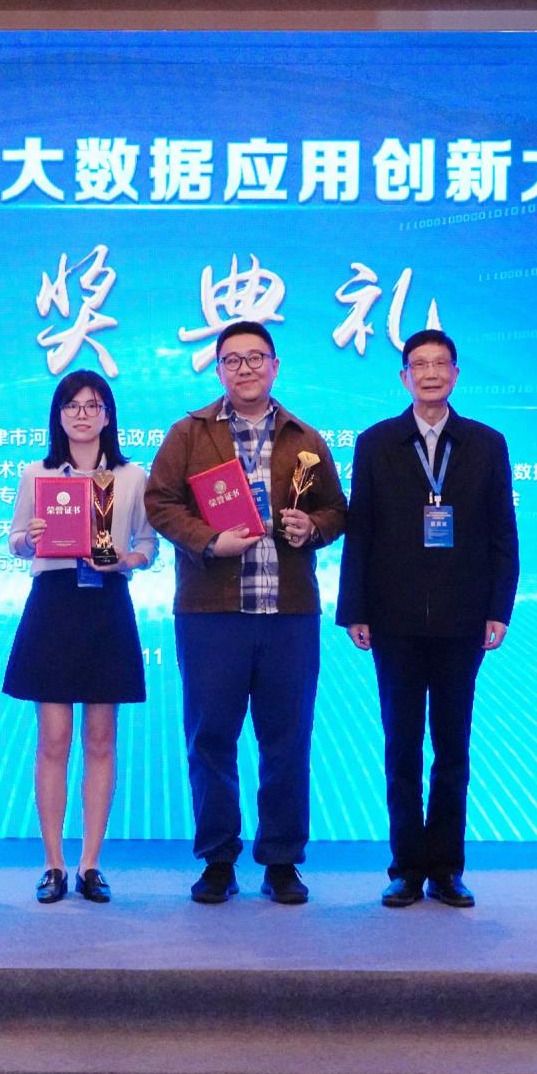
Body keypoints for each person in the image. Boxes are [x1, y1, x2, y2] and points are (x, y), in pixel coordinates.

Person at [144, 322, 347, 905]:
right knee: (211, 738)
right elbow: (160, 502)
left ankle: (282, 861)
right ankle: (218, 859)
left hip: (288, 615)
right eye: (232, 360)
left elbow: (337, 510)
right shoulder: (188, 433)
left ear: (275, 366)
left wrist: (312, 527)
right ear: (218, 370)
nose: (245, 368)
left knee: (287, 740)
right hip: (211, 614)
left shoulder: (305, 438)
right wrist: (209, 541)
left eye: (256, 357)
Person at [338, 328, 518, 910]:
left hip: (463, 619)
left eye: (441, 364)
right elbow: (360, 531)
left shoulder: (487, 444)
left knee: (452, 748)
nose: (431, 373)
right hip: (393, 619)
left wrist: (498, 609)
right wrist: (355, 609)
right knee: (402, 746)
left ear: (456, 374)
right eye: (420, 364)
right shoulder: (376, 442)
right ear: (404, 377)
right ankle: (406, 869)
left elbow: (503, 533)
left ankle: (446, 869)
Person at [4, 371, 157, 905]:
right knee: (53, 739)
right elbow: (15, 540)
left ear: (108, 414)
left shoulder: (132, 476)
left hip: (107, 602)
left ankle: (91, 863)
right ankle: (53, 863)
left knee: (100, 739)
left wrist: (126, 561)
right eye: (72, 405)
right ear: (59, 415)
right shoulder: (37, 473)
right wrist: (30, 540)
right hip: (53, 602)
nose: (83, 415)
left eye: (93, 405)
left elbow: (148, 543)